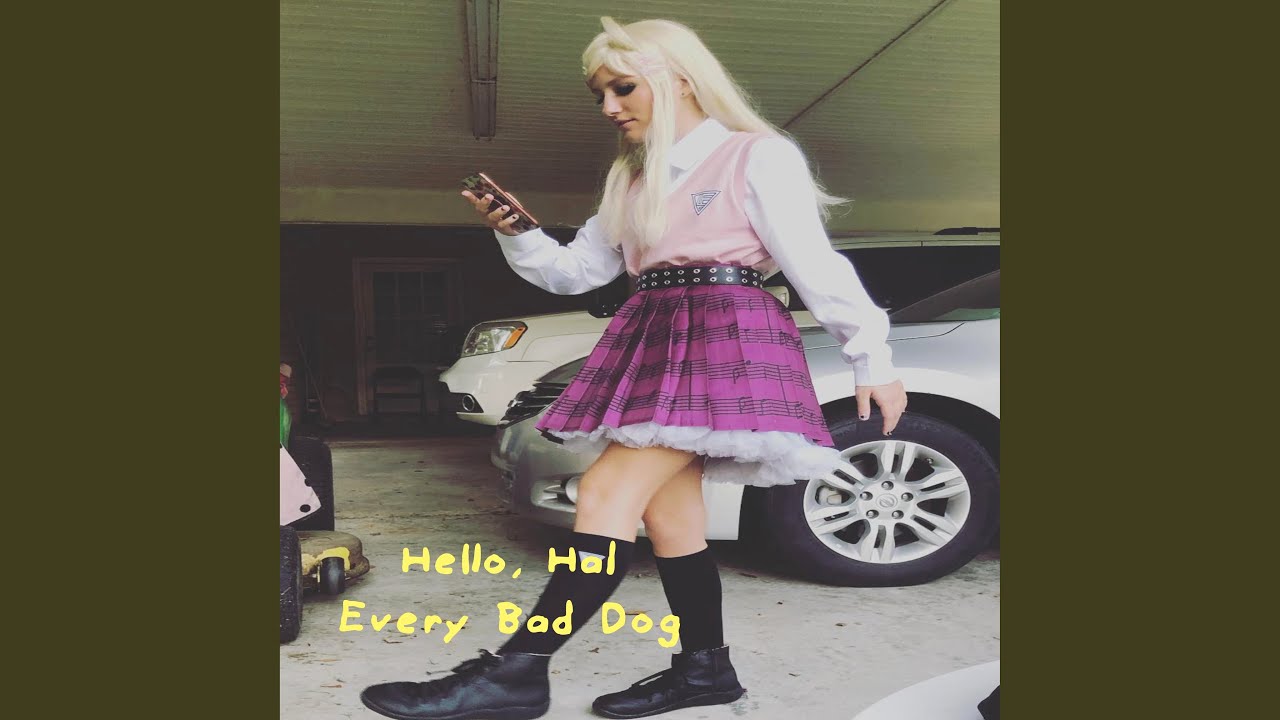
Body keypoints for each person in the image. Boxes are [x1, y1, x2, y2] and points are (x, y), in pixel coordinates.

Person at [361, 16, 907, 720]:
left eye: (622, 87)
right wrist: (520, 232)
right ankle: (705, 670)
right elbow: (575, 273)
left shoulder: (756, 155)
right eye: (600, 94)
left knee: (604, 494)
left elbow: (813, 262)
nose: (609, 107)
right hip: (653, 331)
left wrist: (871, 355)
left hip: (724, 334)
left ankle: (518, 672)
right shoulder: (634, 177)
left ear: (680, 79)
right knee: (669, 516)